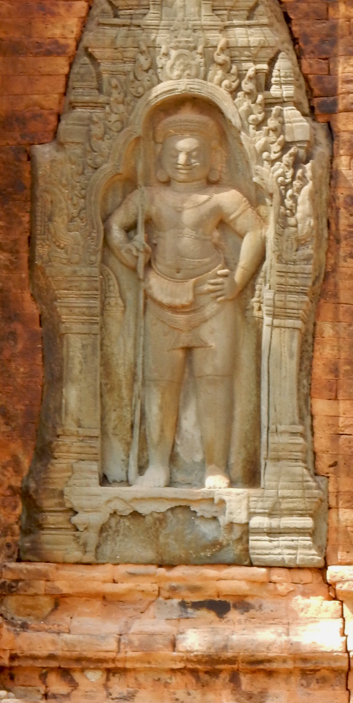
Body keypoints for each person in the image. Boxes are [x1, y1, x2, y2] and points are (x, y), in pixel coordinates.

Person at [105, 105, 265, 488]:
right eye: (175, 153)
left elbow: (256, 233)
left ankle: (215, 467)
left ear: (214, 159)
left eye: (194, 154)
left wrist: (238, 281)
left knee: (215, 382)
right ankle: (157, 465)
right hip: (160, 295)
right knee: (159, 383)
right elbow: (114, 226)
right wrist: (127, 250)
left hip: (212, 297)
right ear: (159, 160)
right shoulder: (149, 198)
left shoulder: (222, 197)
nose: (184, 160)